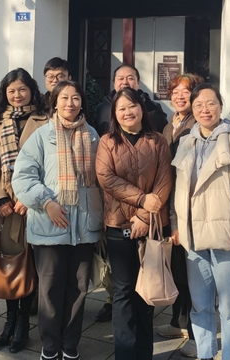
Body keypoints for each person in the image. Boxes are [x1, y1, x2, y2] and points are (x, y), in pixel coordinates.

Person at [170, 83, 230, 360]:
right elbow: (177, 189)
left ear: (221, 107)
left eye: (211, 103)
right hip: (194, 238)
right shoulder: (186, 143)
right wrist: (176, 225)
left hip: (227, 237)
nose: (205, 109)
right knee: (200, 305)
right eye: (198, 105)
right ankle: (206, 354)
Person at [12, 80, 102, 360]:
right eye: (64, 98)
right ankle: (50, 348)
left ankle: (70, 346)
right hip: (49, 226)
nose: (70, 103)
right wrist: (47, 203)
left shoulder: (92, 135)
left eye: (75, 98)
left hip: (84, 227)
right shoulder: (41, 136)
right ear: (54, 102)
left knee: (78, 290)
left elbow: (101, 178)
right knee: (50, 291)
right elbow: (23, 177)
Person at [96, 88, 172, 360]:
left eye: (132, 106)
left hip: (152, 226)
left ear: (142, 108)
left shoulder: (158, 141)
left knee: (147, 292)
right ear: (115, 114)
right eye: (121, 108)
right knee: (124, 291)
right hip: (119, 226)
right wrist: (141, 200)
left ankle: (144, 354)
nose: (128, 112)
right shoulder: (107, 142)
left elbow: (165, 180)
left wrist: (143, 216)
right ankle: (125, 354)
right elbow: (106, 178)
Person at [0, 68, 49, 353]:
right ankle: (9, 321)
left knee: (30, 264)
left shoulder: (45, 120)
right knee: (10, 263)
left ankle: (24, 323)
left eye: (22, 89)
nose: (17, 95)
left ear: (32, 91)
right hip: (8, 207)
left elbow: (48, 164)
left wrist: (28, 197)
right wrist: (1, 199)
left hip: (34, 206)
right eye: (11, 91)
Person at [157, 73, 204, 358]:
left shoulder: (198, 126)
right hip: (171, 205)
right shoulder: (169, 124)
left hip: (190, 209)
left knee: (193, 273)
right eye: (175, 91)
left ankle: (198, 335)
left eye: (185, 91)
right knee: (178, 267)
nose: (179, 96)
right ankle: (178, 321)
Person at [93, 64, 168, 137]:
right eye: (121, 78)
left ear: (138, 83)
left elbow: (162, 137)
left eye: (130, 78)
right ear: (114, 83)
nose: (125, 82)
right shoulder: (103, 108)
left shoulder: (153, 108)